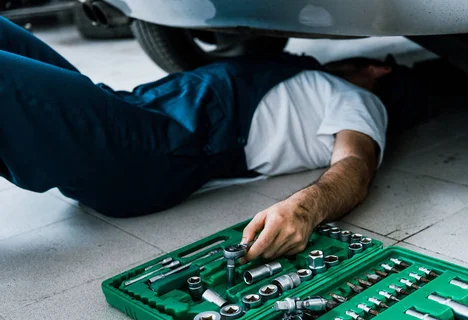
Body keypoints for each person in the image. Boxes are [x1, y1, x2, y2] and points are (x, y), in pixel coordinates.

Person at [0, 17, 397, 262]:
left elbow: (355, 167)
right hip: (130, 107)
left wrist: (304, 209)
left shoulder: (359, 99)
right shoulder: (302, 70)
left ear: (377, 68)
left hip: (149, 153)